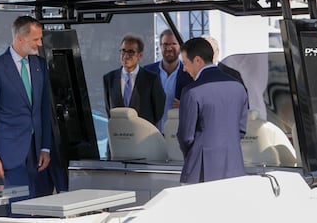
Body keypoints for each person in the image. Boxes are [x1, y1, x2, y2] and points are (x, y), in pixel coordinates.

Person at [0, 16, 52, 208]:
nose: (40, 43)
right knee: (18, 210)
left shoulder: (40, 65)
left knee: (40, 208)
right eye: (36, 39)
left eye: (40, 38)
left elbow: (44, 109)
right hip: (9, 156)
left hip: (37, 155)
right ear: (20, 39)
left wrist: (45, 147)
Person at [177, 37, 248, 184]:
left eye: (185, 63)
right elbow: (241, 130)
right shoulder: (238, 87)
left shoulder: (192, 91)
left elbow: (185, 136)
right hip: (234, 167)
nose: (184, 69)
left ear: (197, 60)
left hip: (201, 170)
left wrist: (193, 155)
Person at [103, 34, 165, 126]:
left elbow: (158, 111)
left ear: (140, 55)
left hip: (143, 135)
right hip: (118, 135)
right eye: (123, 51)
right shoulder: (109, 79)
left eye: (131, 52)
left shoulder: (151, 79)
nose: (126, 56)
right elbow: (109, 111)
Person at [145, 29, 192, 132]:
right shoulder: (146, 72)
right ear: (160, 46)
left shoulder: (190, 74)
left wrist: (186, 106)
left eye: (173, 44)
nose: (169, 48)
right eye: (165, 44)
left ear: (180, 46)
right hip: (151, 135)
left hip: (178, 136)